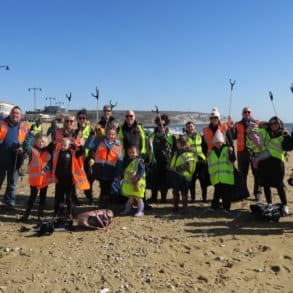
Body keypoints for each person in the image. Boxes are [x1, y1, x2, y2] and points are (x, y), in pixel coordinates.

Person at [258, 117, 290, 215]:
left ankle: (285, 205)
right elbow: (258, 127)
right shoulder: (266, 132)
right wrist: (265, 124)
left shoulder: (283, 134)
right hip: (265, 162)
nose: (273, 125)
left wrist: (287, 136)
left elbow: (288, 147)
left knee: (279, 185)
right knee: (266, 185)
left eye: (275, 123)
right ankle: (269, 203)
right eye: (271, 124)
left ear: (280, 124)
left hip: (277, 163)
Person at [52, 137, 89, 219]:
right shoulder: (57, 152)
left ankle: (70, 212)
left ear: (69, 146)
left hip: (69, 179)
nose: (63, 146)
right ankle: (58, 212)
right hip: (59, 178)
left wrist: (79, 145)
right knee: (58, 197)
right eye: (62, 145)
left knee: (69, 197)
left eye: (65, 145)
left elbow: (82, 152)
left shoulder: (73, 153)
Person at [229, 107, 261, 200]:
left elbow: (265, 133)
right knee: (242, 174)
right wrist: (230, 127)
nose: (247, 113)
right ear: (242, 114)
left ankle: (257, 192)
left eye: (248, 112)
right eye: (245, 112)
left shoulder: (257, 123)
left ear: (251, 113)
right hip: (242, 152)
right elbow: (233, 136)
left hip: (255, 152)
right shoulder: (238, 124)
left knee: (257, 173)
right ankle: (243, 193)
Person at [0, 106, 29, 207]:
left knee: (12, 184)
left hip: (15, 160)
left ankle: (9, 202)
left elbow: (28, 142)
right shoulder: (2, 123)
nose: (15, 115)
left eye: (17, 113)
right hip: (1, 159)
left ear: (21, 116)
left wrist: (23, 149)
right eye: (13, 112)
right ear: (10, 113)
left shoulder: (24, 126)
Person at [21, 134, 53, 221]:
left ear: (46, 143)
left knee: (42, 197)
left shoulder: (48, 153)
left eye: (43, 142)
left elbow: (50, 164)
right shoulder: (32, 151)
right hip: (34, 179)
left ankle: (40, 215)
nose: (41, 143)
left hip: (44, 179)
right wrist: (30, 135)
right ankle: (26, 214)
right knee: (32, 197)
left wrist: (45, 169)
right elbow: (25, 146)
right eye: (39, 141)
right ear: (35, 142)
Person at [90, 124, 123, 207]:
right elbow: (90, 146)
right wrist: (94, 136)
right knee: (103, 187)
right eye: (109, 134)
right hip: (101, 170)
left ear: (115, 135)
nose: (111, 136)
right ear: (106, 134)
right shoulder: (100, 142)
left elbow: (120, 160)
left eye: (113, 134)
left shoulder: (118, 145)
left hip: (111, 171)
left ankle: (107, 204)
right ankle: (102, 204)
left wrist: (119, 173)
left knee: (110, 189)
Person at [148, 114, 176, 203]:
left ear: (166, 125)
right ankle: (154, 197)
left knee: (165, 180)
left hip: (166, 161)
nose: (161, 127)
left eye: (164, 125)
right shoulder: (152, 135)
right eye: (160, 125)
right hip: (155, 161)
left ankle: (163, 198)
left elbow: (174, 149)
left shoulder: (171, 136)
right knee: (154, 179)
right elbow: (149, 146)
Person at [207, 131, 236, 213]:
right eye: (216, 142)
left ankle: (226, 208)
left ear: (222, 141)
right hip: (217, 176)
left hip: (226, 176)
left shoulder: (228, 148)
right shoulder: (212, 151)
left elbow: (233, 160)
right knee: (217, 193)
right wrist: (208, 155)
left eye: (219, 142)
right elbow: (209, 162)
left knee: (226, 194)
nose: (217, 144)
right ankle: (214, 206)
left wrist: (231, 152)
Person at [169, 135, 196, 213]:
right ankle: (175, 207)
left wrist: (176, 168)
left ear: (182, 144)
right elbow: (173, 162)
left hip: (184, 177)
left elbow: (188, 165)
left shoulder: (189, 153)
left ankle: (185, 208)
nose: (176, 144)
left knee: (184, 192)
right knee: (175, 191)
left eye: (178, 143)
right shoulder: (176, 152)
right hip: (176, 175)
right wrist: (171, 167)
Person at [185, 121, 209, 202]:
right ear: (186, 129)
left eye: (191, 126)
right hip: (191, 161)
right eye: (188, 127)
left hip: (201, 160)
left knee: (203, 180)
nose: (190, 128)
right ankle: (193, 198)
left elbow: (205, 147)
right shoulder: (185, 138)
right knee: (192, 180)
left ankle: (204, 198)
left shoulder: (200, 136)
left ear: (194, 127)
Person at [75, 109, 95, 203]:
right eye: (80, 118)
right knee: (75, 178)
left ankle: (89, 196)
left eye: (84, 118)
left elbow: (94, 145)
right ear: (77, 119)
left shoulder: (91, 130)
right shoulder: (75, 131)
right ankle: (74, 197)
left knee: (89, 178)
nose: (82, 120)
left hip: (87, 158)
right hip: (77, 158)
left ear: (86, 119)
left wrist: (92, 157)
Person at [121, 145, 146, 217]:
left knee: (139, 198)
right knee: (130, 199)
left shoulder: (139, 161)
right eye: (130, 153)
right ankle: (127, 210)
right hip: (130, 184)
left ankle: (140, 211)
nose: (131, 154)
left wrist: (137, 177)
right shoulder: (128, 161)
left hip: (138, 184)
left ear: (137, 153)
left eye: (133, 152)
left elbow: (141, 170)